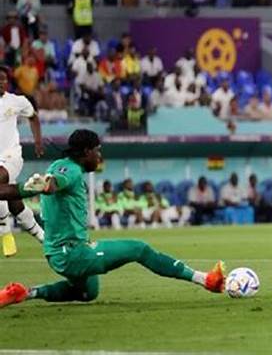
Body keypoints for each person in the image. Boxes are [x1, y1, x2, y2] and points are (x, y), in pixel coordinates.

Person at [0, 129, 225, 308]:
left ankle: (24, 293)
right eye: (97, 151)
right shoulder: (72, 171)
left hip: (57, 254)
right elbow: (54, 184)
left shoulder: (57, 165)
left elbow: (26, 189)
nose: (100, 156)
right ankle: (206, 280)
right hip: (73, 254)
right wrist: (47, 185)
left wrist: (36, 186)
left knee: (87, 292)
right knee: (139, 249)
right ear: (86, 151)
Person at [0, 66, 45, 257]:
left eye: (3, 79)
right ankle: (44, 238)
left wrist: (38, 141)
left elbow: (33, 117)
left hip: (11, 156)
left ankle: (4, 231)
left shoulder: (17, 101)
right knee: (15, 204)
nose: (1, 82)